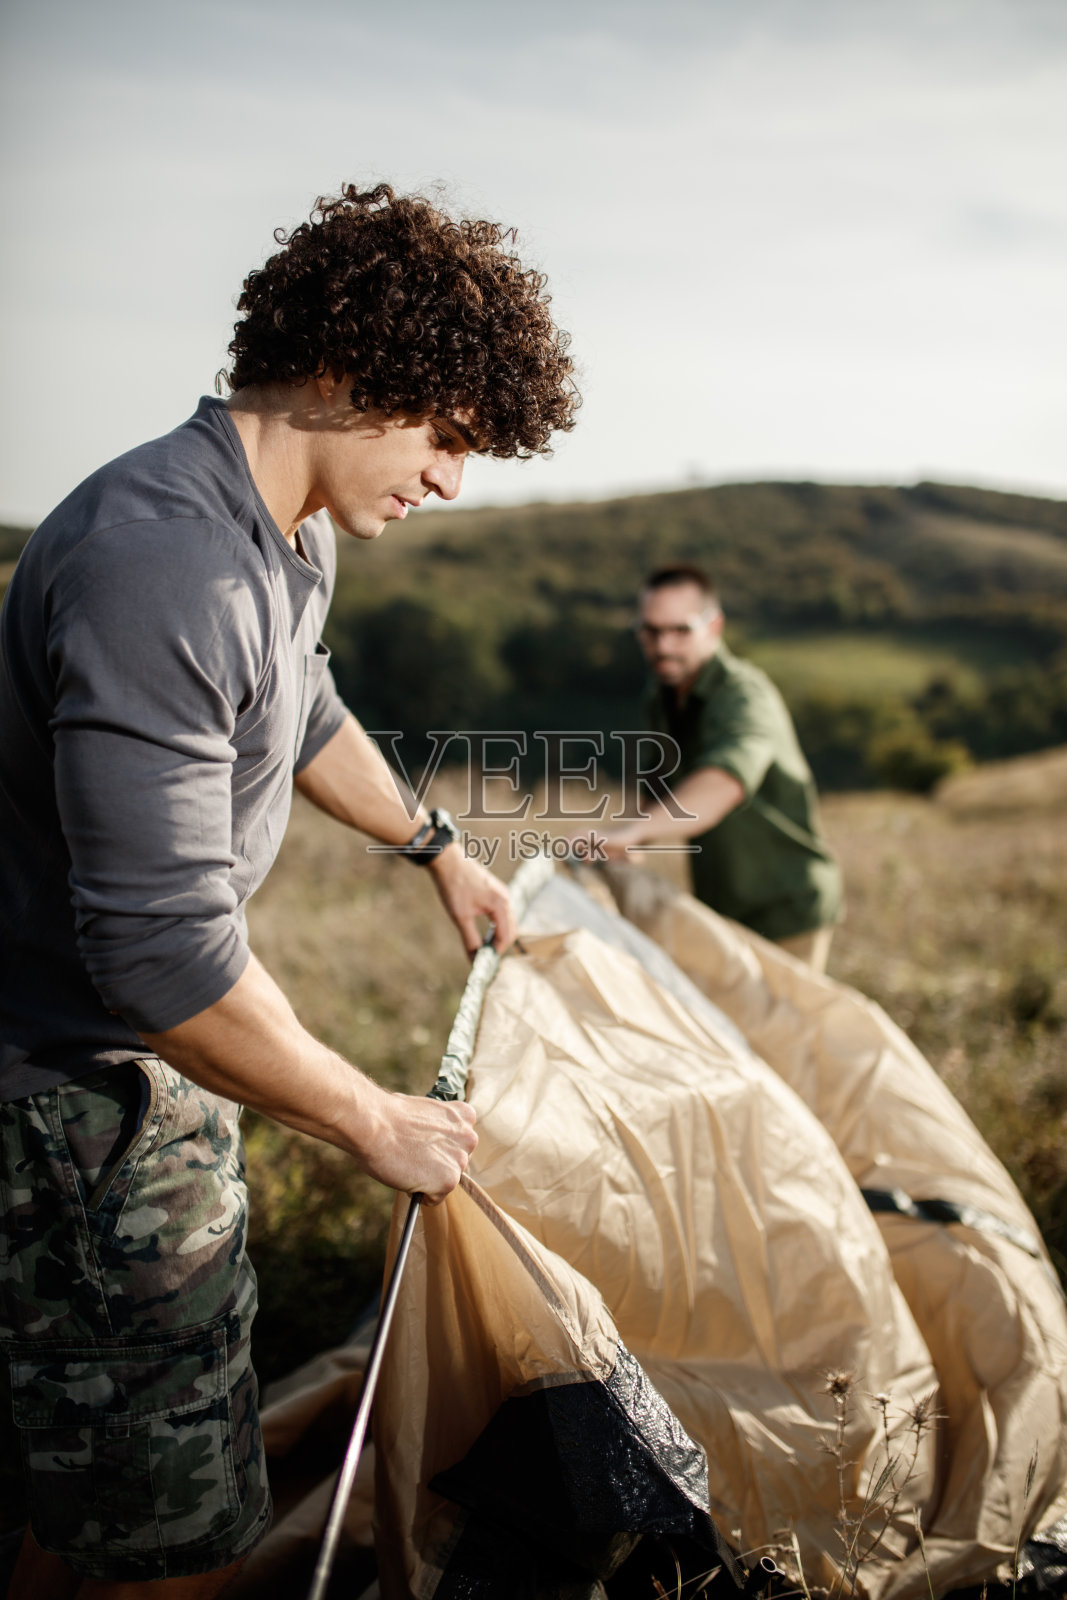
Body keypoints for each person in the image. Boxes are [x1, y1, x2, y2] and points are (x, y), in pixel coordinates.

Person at [0, 182, 578, 1598]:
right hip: (78, 1099)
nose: (452, 482)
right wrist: (371, 1118)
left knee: (103, 1488)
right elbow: (159, 960)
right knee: (172, 1541)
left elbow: (305, 711)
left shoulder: (288, 532)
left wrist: (436, 849)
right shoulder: (167, 566)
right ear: (340, 371)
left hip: (138, 1063)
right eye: (443, 436)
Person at [578, 565, 841, 970]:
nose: (663, 646)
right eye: (650, 631)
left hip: (785, 904)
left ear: (714, 626)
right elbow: (657, 793)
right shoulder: (661, 697)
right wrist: (619, 842)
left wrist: (634, 832)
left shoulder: (744, 696)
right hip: (722, 908)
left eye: (680, 630)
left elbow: (724, 783)